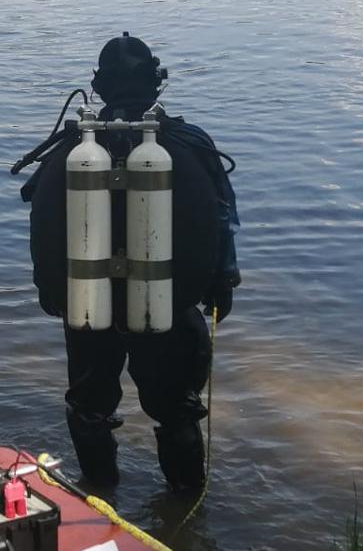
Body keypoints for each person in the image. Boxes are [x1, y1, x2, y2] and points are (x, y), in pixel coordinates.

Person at [16, 34, 241, 492]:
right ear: (157, 84)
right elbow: (220, 218)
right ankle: (184, 511)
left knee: (89, 408)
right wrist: (223, 283)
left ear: (97, 88)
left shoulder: (73, 149)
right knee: (178, 410)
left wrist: (51, 291)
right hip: (167, 307)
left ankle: (99, 499)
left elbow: (42, 218)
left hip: (87, 303)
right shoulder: (190, 143)